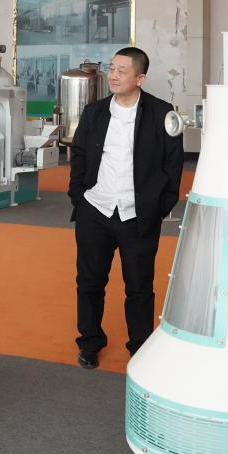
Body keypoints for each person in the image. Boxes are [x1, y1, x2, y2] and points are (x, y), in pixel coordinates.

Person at [69, 47, 183, 369]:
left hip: (139, 215)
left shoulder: (161, 113)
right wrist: (79, 196)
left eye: (122, 70)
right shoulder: (94, 112)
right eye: (112, 69)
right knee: (90, 283)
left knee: (139, 287)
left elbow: (173, 163)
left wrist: (159, 206)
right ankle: (90, 342)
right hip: (96, 210)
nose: (114, 75)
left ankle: (140, 347)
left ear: (140, 78)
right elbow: (79, 154)